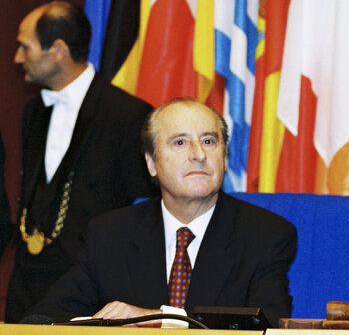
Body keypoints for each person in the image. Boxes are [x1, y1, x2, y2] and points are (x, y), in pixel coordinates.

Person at [25, 98, 297, 326]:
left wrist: (162, 319)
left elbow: (268, 324)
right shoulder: (111, 234)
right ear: (151, 163)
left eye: (209, 141)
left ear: (224, 157)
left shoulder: (266, 235)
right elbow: (47, 317)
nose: (198, 154)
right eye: (180, 142)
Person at [7, 1, 155, 322]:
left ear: (58, 49)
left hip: (90, 284)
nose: (18, 58)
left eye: (25, 46)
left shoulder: (128, 114)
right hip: (27, 278)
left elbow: (141, 209)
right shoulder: (33, 112)